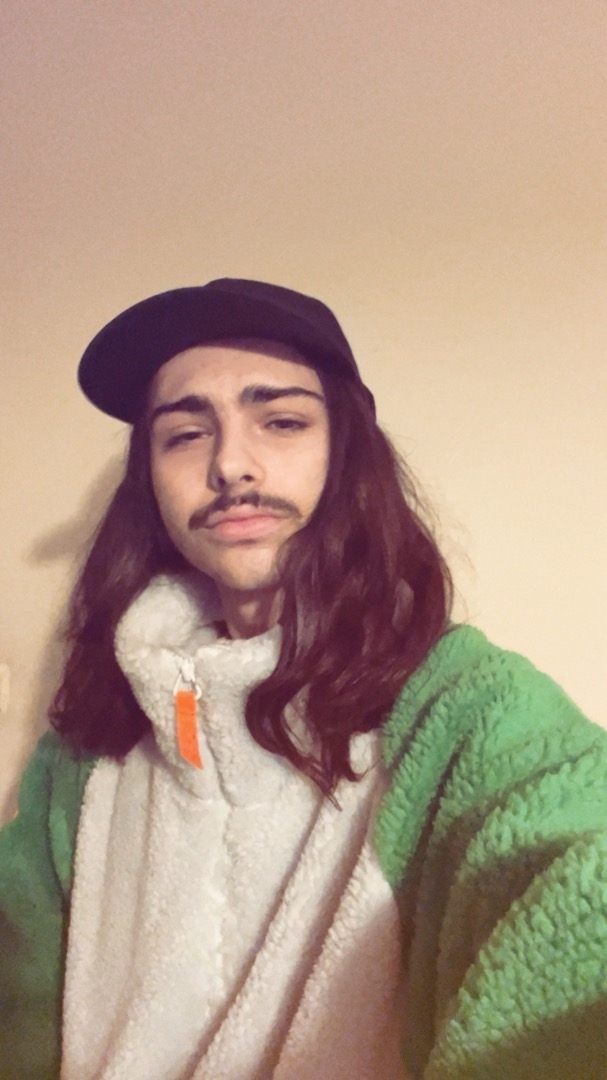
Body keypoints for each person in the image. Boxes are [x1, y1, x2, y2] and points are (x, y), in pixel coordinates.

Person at [1, 278, 606, 1080]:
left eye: (281, 421)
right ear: (148, 481)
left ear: (346, 452)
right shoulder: (84, 750)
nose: (229, 464)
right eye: (184, 435)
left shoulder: (467, 711)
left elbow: (576, 876)